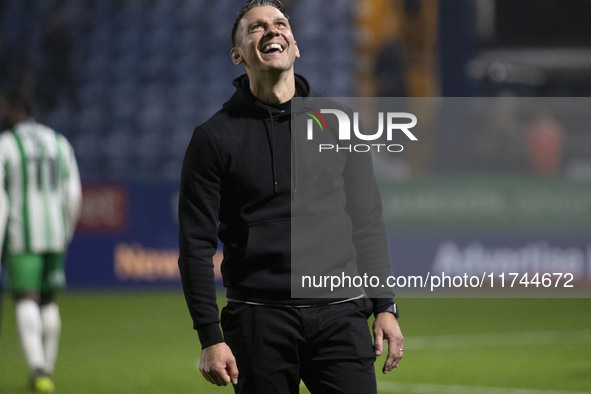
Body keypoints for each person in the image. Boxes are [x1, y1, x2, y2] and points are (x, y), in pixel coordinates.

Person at [177, 1, 403, 393]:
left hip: (341, 315)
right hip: (258, 321)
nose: (271, 30)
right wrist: (210, 337)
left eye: (280, 23)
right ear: (237, 55)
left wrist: (385, 305)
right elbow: (196, 246)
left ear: (295, 45)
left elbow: (367, 222)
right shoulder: (213, 138)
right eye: (256, 27)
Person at [0, 91, 82, 393]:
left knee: (25, 298)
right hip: (55, 234)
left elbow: (1, 200)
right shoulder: (58, 142)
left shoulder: (6, 145)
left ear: (17, 109)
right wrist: (66, 232)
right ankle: (46, 369)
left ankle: (37, 369)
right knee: (48, 302)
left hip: (23, 235)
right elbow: (73, 194)